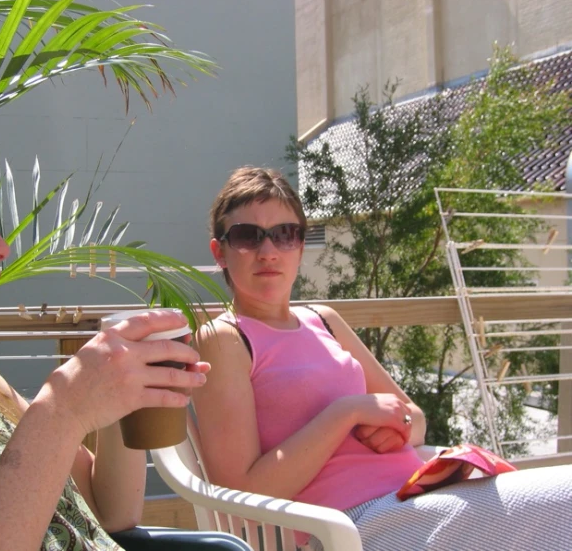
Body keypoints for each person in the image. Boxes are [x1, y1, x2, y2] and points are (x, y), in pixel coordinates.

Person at [0, 111, 251, 551]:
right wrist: (60, 412)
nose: (0, 247)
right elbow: (56, 431)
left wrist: (118, 392)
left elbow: (112, 511)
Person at [192, 166, 572, 551]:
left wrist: (395, 425)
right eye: (247, 237)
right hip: (351, 527)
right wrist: (347, 413)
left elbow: (416, 418)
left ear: (301, 246)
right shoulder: (224, 339)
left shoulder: (324, 320)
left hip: (416, 493)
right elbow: (240, 494)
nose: (268, 251)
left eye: (285, 234)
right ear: (219, 252)